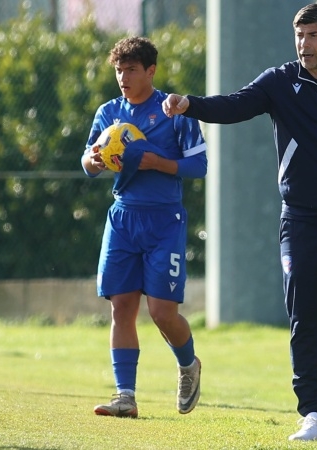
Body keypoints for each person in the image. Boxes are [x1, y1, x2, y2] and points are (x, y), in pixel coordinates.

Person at [162, 3, 317, 442]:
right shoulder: (279, 82)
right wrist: (190, 105)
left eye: (313, 35)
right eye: (299, 36)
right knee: (306, 320)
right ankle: (315, 416)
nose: (304, 44)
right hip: (302, 222)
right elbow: (235, 104)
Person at [81, 36, 207, 418]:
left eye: (131, 70)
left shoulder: (174, 111)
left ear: (150, 71)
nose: (123, 77)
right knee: (121, 306)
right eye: (119, 70)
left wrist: (157, 162)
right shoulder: (108, 113)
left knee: (163, 313)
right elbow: (87, 161)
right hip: (123, 218)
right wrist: (96, 161)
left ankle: (189, 365)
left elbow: (198, 167)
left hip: (164, 220)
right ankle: (125, 396)